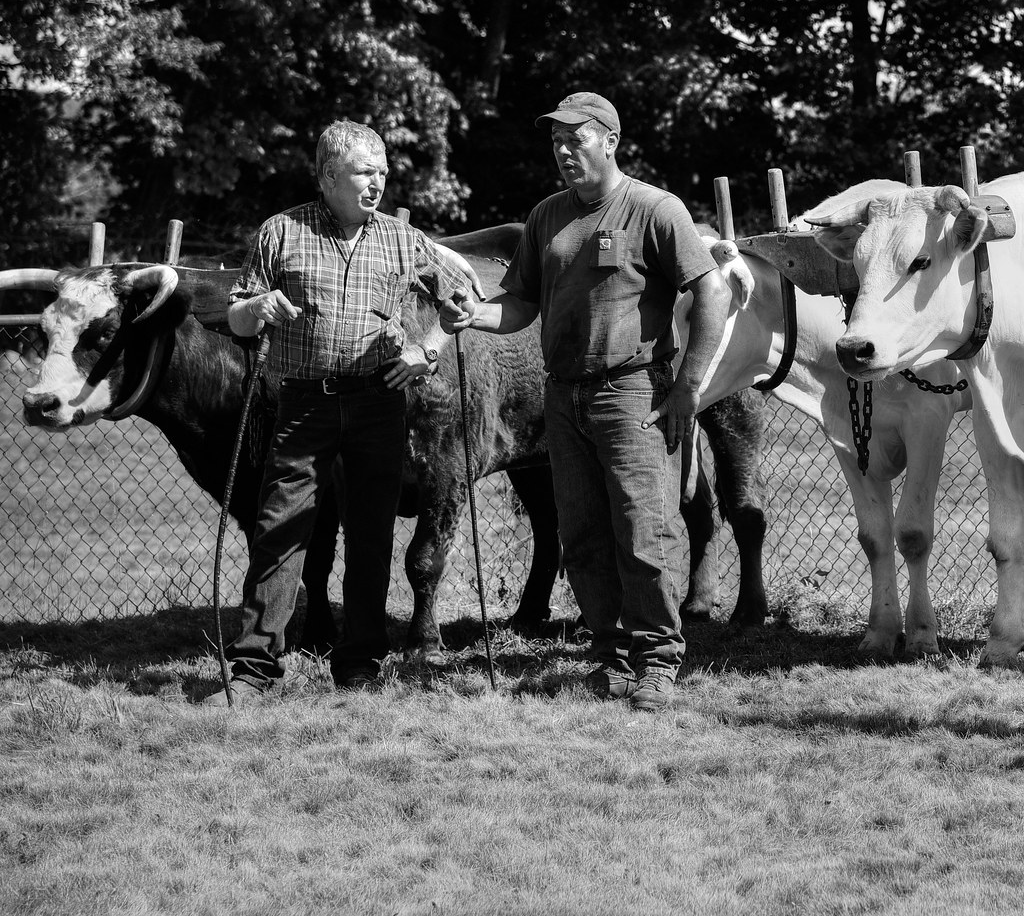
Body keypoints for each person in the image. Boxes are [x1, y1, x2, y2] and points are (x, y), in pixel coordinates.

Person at [442, 92, 731, 712]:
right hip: (563, 395)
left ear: (609, 141)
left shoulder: (656, 209)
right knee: (583, 533)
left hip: (635, 393)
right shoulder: (547, 217)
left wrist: (689, 385)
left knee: (644, 528)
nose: (564, 153)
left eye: (575, 140)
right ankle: (607, 654)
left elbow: (711, 293)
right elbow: (520, 304)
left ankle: (656, 659)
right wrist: (473, 314)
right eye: (556, 143)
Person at [204, 119, 475, 705]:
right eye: (363, 172)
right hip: (303, 403)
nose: (377, 183)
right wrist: (258, 307)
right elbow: (235, 319)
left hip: (380, 402)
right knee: (280, 528)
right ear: (328, 176)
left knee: (372, 535)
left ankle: (360, 664)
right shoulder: (280, 232)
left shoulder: (403, 238)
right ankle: (253, 669)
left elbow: (462, 304)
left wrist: (428, 349)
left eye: (382, 172)